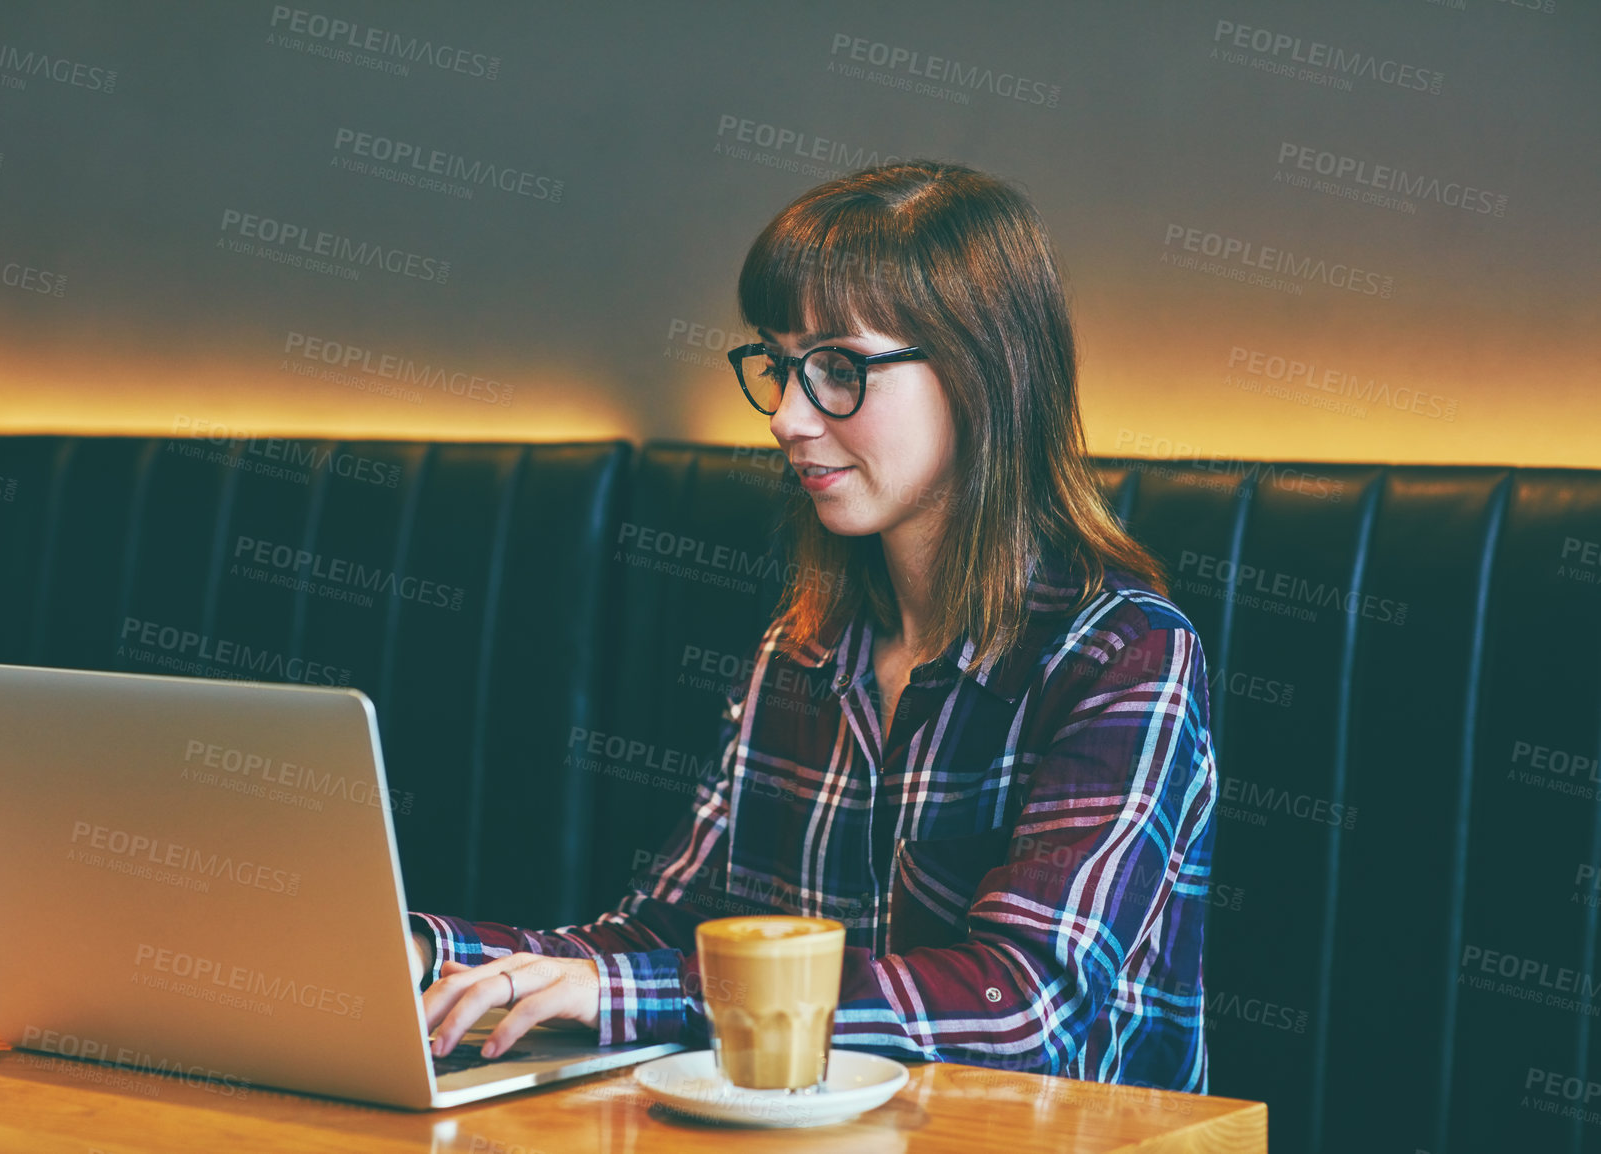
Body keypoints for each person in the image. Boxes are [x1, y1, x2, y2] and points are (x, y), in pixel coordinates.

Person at [407, 159, 1217, 1092]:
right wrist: (428, 952)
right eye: (781, 366)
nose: (789, 416)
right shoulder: (801, 649)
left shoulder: (1126, 654)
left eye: (838, 368)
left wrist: (628, 988)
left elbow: (1023, 1005)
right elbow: (663, 939)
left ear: (985, 375)